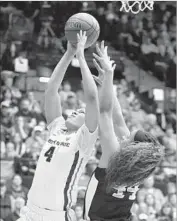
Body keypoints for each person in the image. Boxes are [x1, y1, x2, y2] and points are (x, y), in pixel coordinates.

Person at [18, 30, 99, 221]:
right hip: (30, 211)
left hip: (55, 216)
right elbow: (51, 90)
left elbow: (93, 98)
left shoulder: (84, 140)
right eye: (75, 110)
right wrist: (68, 54)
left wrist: (81, 55)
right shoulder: (58, 127)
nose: (74, 111)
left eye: (80, 112)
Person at [84, 41, 164, 221]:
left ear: (133, 149)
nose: (124, 138)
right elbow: (118, 118)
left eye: (128, 139)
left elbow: (105, 113)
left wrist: (110, 75)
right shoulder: (140, 167)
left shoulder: (114, 157)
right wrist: (107, 86)